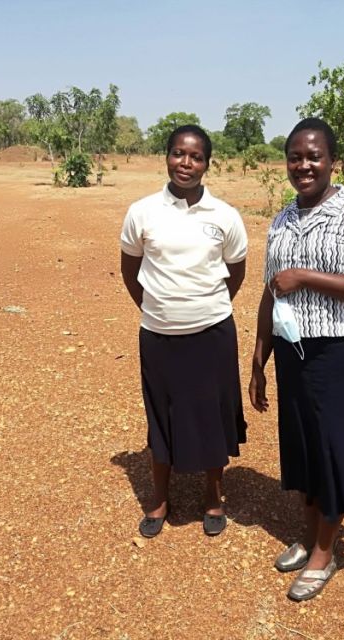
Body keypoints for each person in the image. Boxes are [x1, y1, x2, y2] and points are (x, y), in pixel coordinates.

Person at [249, 118, 344, 601]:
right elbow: (270, 292)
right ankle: (310, 534)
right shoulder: (281, 220)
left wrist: (306, 277)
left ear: (333, 161)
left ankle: (324, 553)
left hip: (337, 352)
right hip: (292, 352)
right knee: (303, 448)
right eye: (295, 156)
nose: (303, 165)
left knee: (331, 449)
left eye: (313, 156)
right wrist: (258, 360)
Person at [121, 124, 248, 537]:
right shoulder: (142, 212)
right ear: (167, 156)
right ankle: (159, 499)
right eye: (178, 153)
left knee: (211, 412)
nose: (186, 163)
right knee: (161, 414)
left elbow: (237, 271)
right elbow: (130, 268)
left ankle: (213, 497)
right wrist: (157, 307)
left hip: (212, 331)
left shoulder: (224, 216)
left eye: (195, 157)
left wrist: (205, 307)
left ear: (207, 164)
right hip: (158, 334)